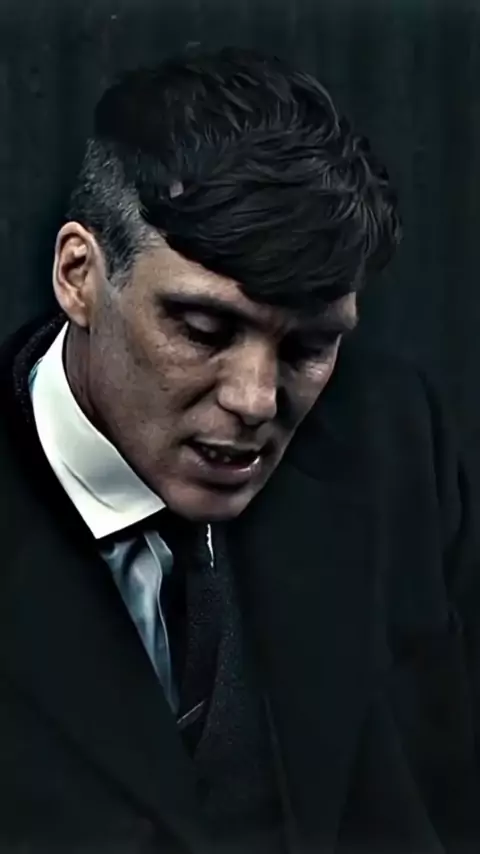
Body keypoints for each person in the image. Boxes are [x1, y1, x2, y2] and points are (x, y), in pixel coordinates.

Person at [0, 46, 478, 854]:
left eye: (308, 347)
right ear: (79, 274)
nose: (255, 400)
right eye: (203, 329)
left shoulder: (394, 441)